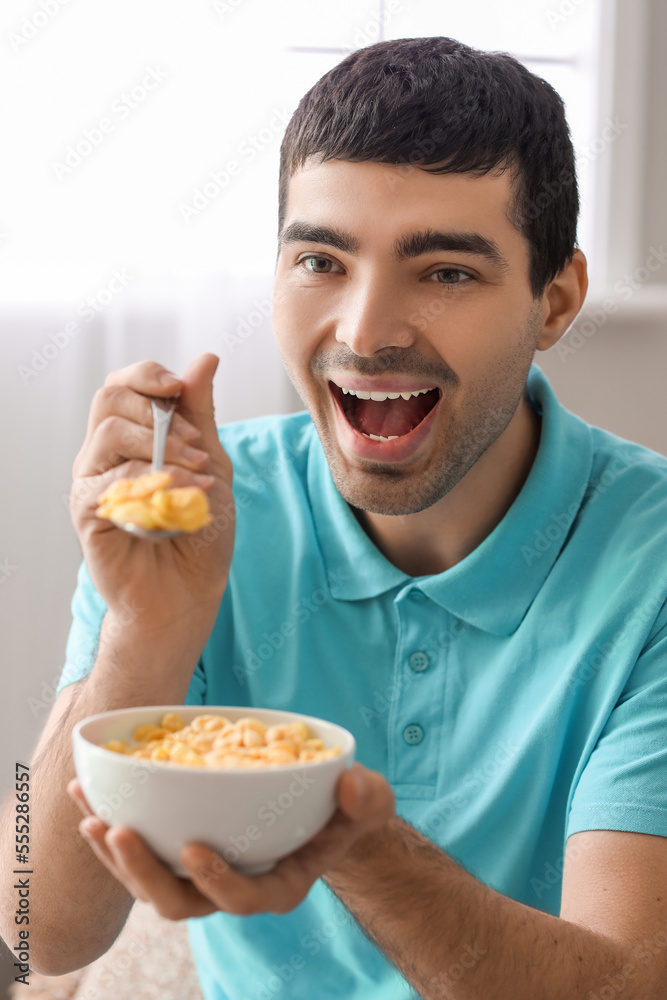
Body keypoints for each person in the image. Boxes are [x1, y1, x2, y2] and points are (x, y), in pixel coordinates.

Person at [2, 34, 667, 1000]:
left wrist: (338, 827)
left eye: (445, 272)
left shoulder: (648, 567)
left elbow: (627, 985)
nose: (364, 332)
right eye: (321, 258)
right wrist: (145, 630)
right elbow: (29, 929)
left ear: (555, 299)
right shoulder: (195, 515)